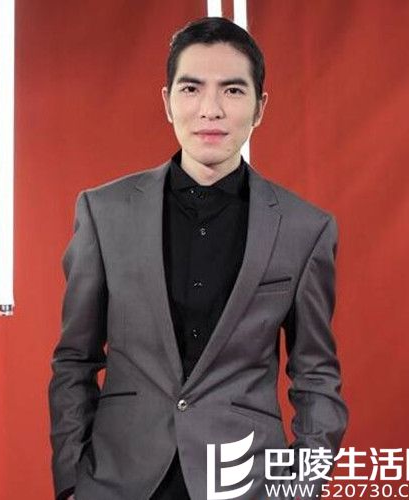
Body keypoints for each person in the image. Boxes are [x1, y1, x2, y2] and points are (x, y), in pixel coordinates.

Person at [48, 16, 348, 500]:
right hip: (117, 481)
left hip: (246, 481)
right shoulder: (103, 212)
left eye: (232, 90)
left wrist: (299, 489)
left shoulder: (304, 228)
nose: (211, 109)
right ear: (167, 102)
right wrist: (71, 483)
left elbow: (316, 376)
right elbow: (74, 360)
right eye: (191, 89)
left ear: (260, 107)